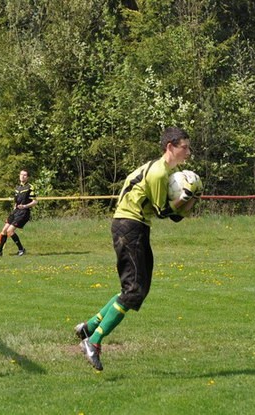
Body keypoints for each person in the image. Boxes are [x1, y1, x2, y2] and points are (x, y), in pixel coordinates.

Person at [74, 127, 200, 371]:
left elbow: (172, 214)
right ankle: (94, 341)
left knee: (136, 288)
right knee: (133, 290)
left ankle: (88, 327)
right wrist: (186, 199)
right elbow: (165, 212)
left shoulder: (163, 170)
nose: (188, 152)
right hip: (129, 226)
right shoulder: (159, 172)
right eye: (185, 147)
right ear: (170, 147)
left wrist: (188, 201)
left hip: (135, 226)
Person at [0, 169, 37, 257]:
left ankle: (21, 249)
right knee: (4, 230)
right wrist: (14, 208)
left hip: (24, 212)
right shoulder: (17, 188)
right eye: (21, 174)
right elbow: (16, 202)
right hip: (16, 212)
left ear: (27, 177)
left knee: (10, 231)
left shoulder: (30, 187)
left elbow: (35, 202)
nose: (22, 176)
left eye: (24, 175)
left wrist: (25, 206)